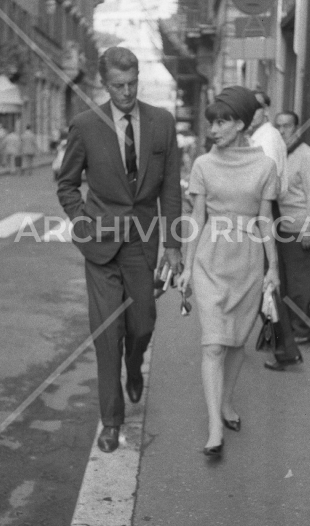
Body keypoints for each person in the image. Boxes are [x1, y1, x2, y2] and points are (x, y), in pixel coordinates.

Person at [57, 47, 182, 453]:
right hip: (100, 246)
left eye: (132, 84)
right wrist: (83, 225)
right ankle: (111, 423)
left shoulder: (162, 123)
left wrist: (174, 245)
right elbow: (67, 184)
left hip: (143, 245)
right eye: (117, 86)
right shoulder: (85, 125)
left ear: (138, 79)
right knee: (107, 333)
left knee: (142, 323)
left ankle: (135, 362)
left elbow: (170, 187)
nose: (126, 93)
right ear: (104, 84)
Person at [177, 86, 280, 457]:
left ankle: (226, 402)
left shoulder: (266, 166)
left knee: (236, 341)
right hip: (210, 260)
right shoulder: (203, 164)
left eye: (221, 122)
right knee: (214, 343)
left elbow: (265, 221)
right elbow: (196, 217)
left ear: (241, 123)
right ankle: (214, 427)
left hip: (249, 260)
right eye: (212, 122)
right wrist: (187, 267)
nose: (214, 129)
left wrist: (274, 270)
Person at [249, 90, 303, 371]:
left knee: (267, 285)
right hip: (262, 213)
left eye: (256, 108)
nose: (251, 112)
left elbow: (263, 184)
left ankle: (284, 349)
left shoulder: (267, 138)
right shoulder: (261, 136)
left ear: (266, 111)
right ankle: (281, 345)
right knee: (262, 284)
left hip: (263, 213)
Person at [275, 110, 310, 345]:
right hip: (284, 229)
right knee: (288, 284)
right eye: (279, 126)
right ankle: (299, 327)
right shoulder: (283, 156)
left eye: (287, 126)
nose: (282, 131)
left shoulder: (308, 157)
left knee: (300, 286)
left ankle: (303, 332)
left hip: (300, 230)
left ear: (297, 128)